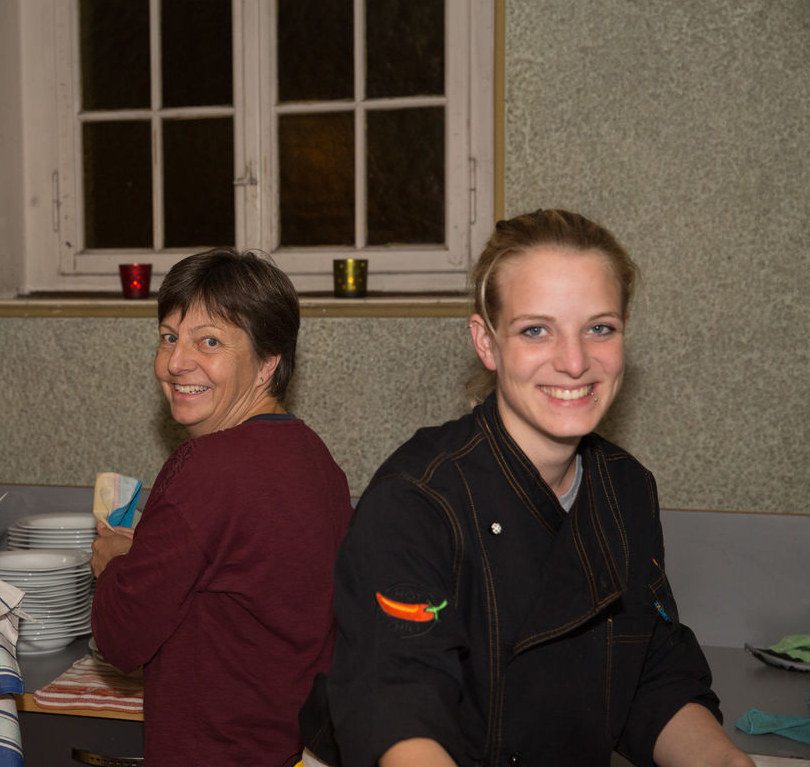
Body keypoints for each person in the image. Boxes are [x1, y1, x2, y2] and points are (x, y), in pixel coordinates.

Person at [315, 210, 754, 766]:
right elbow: (397, 705)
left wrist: (727, 762)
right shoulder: (416, 501)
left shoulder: (625, 489)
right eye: (536, 330)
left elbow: (654, 675)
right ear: (487, 342)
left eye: (599, 328)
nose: (574, 362)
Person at [91, 248, 354, 766]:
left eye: (208, 341)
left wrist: (114, 564)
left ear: (268, 363)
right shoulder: (317, 459)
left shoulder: (205, 468)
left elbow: (121, 639)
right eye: (169, 337)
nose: (175, 362)